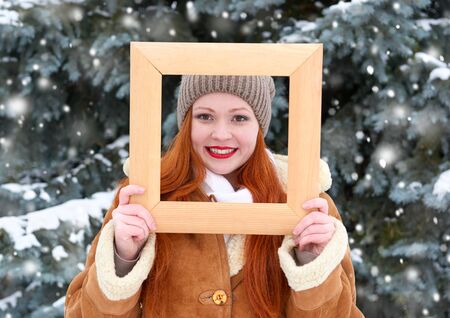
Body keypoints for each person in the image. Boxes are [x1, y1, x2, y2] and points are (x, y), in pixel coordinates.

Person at [65, 75, 364, 317]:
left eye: (239, 118)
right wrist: (123, 260)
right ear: (186, 124)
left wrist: (311, 265)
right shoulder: (142, 197)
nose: (221, 134)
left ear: (259, 126)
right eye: (205, 116)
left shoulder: (307, 204)